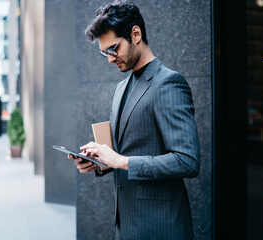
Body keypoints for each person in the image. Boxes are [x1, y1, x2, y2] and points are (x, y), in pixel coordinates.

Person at [68, 1, 200, 239]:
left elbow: (187, 161)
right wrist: (99, 162)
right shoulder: (120, 88)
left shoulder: (169, 83)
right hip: (125, 225)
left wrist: (120, 161)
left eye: (113, 49)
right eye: (104, 52)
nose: (110, 59)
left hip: (160, 228)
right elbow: (125, 153)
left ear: (135, 34)